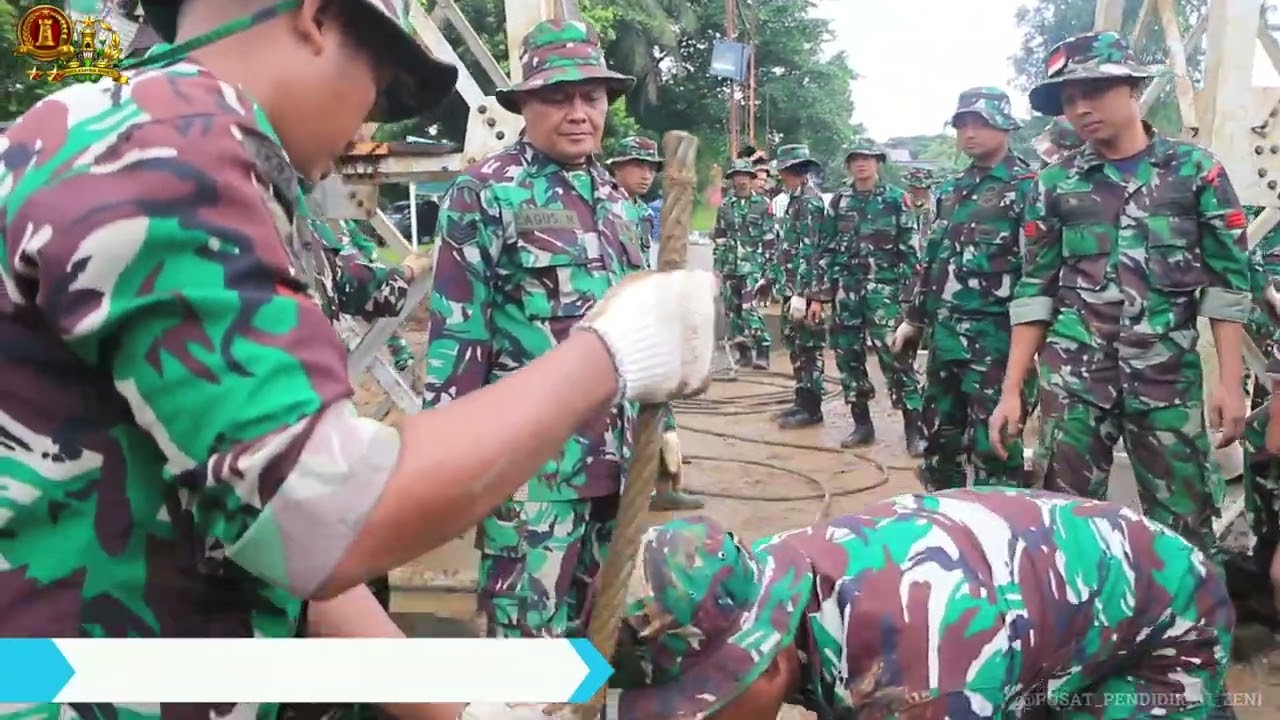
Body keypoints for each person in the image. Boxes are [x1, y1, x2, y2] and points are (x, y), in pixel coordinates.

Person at [0, 3, 717, 720]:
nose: (366, 126)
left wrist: (455, 711)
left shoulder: (137, 137)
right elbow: (322, 511)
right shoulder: (167, 155)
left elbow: (277, 543)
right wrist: (614, 351)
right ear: (314, 17)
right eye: (378, 84)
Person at [422, 19, 697, 641]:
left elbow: (642, 331)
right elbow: (457, 338)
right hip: (531, 474)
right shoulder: (486, 193)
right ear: (525, 105)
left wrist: (667, 429)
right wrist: (448, 463)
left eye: (591, 97)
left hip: (617, 465)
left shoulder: (619, 201)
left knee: (595, 639)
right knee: (527, 649)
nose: (578, 112)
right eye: (557, 97)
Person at [613, 488, 1235, 720]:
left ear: (767, 664)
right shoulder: (754, 577)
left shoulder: (922, 678)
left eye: (702, 708)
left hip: (1163, 619)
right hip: (1029, 612)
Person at [989, 31, 1251, 559]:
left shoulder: (1196, 172)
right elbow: (1034, 291)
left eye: (1095, 90)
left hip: (1166, 380)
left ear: (1132, 88)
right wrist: (1012, 389)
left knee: (1183, 525)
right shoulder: (1054, 184)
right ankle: (1078, 636)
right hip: (1075, 381)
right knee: (1065, 525)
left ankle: (1186, 637)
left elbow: (1227, 284)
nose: (1081, 108)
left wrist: (1229, 382)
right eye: (1068, 99)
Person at [893, 87, 1037, 490]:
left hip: (997, 348)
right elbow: (935, 260)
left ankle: (998, 540)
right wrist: (914, 319)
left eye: (981, 123)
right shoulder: (951, 191)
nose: (969, 132)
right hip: (946, 342)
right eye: (962, 125)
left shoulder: (1029, 188)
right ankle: (948, 530)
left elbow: (1039, 275)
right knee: (939, 442)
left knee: (995, 449)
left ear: (1005, 126)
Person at [606, 135, 703, 512]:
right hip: (617, 326)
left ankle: (664, 486)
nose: (646, 173)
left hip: (643, 319)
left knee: (660, 404)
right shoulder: (606, 208)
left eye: (651, 167)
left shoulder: (638, 211)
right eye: (637, 165)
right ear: (617, 167)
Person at [822, 138, 924, 453]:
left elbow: (910, 251)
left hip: (885, 292)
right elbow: (825, 248)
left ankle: (914, 431)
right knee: (848, 358)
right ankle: (862, 425)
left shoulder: (896, 200)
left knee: (896, 358)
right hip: (847, 293)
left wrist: (910, 301)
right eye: (855, 159)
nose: (861, 164)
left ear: (878, 163)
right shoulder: (839, 201)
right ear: (849, 165)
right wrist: (821, 291)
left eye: (867, 158)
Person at [763, 144, 828, 428]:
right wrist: (773, 278)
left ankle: (812, 408)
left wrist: (809, 295)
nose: (784, 176)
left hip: (805, 289)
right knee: (796, 346)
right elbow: (787, 247)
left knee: (809, 348)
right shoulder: (794, 200)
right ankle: (801, 400)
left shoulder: (810, 202)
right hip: (791, 287)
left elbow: (814, 250)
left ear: (800, 172)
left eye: (788, 171)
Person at [713, 159, 777, 371]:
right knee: (733, 312)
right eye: (736, 176)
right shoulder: (725, 206)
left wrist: (769, 270)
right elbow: (720, 236)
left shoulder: (762, 205)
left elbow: (769, 238)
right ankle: (744, 352)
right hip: (730, 264)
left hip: (753, 264)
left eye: (744, 176)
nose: (740, 180)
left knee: (749, 309)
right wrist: (718, 266)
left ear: (751, 178)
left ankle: (763, 349)